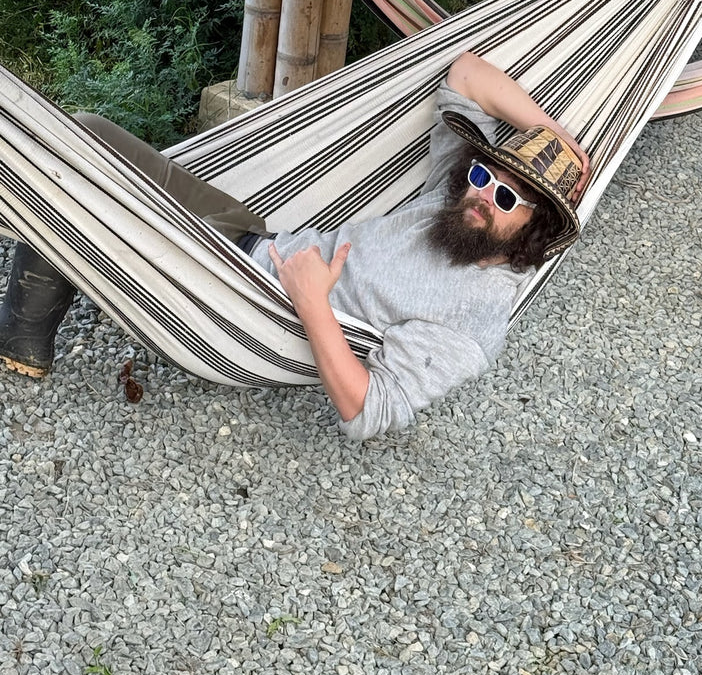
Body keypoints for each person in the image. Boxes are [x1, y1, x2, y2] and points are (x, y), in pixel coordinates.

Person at [0, 52, 589, 438]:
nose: (483, 195)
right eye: (485, 175)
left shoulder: (475, 314)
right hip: (246, 236)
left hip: (243, 301)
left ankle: (22, 333)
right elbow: (466, 73)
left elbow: (369, 410)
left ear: (535, 228)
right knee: (83, 139)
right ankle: (28, 325)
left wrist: (311, 302)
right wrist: (553, 134)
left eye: (507, 198)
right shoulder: (455, 199)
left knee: (71, 176)